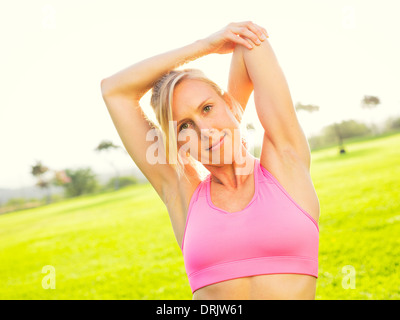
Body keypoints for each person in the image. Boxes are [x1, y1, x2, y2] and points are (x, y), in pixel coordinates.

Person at [100, 21, 320, 300]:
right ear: (178, 143)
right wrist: (202, 46)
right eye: (184, 126)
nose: (205, 131)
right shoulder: (183, 193)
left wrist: (231, 118)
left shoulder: (285, 162)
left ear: (229, 103)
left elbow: (250, 44)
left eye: (207, 108)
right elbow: (114, 91)